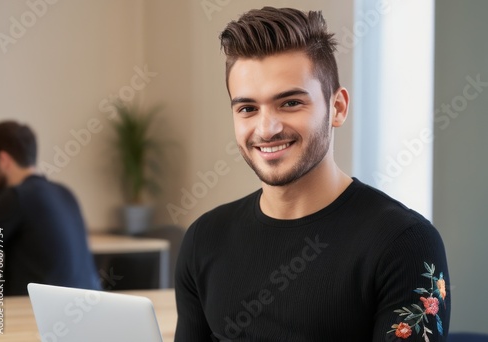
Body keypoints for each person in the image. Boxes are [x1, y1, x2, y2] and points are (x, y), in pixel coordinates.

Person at [174, 7, 450, 342]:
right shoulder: (204, 240)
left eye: (290, 103)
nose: (267, 128)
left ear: (337, 107)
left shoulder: (405, 244)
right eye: (248, 109)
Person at [0, 120, 100, 296]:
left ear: (3, 159)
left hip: (39, 314)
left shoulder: (15, 197)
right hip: (88, 310)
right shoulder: (65, 193)